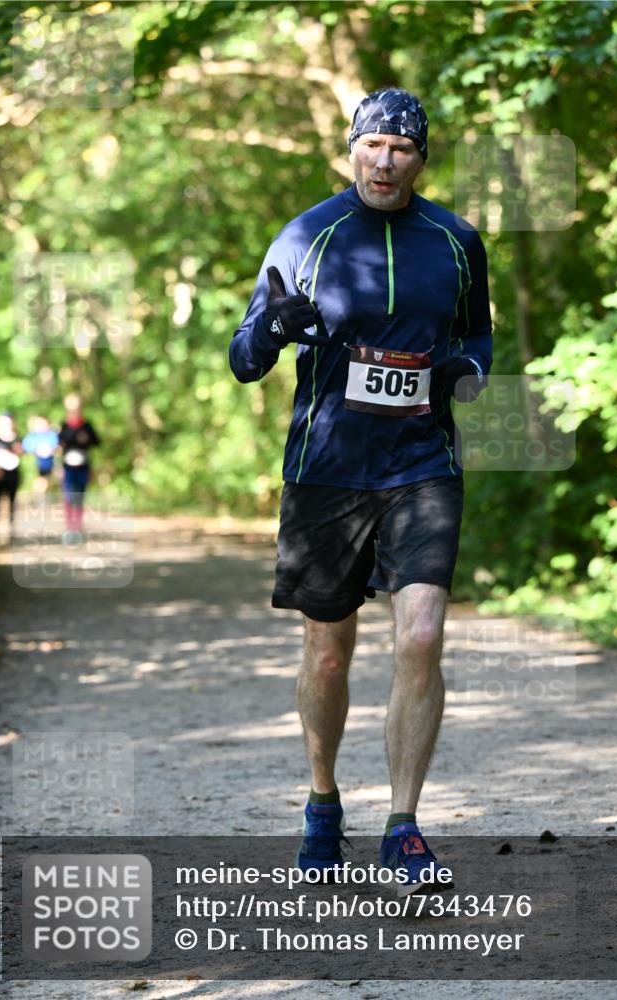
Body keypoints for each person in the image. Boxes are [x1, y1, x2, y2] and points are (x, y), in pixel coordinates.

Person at [229, 89, 493, 895]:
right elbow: (243, 358)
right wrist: (271, 329)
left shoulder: (455, 240)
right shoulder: (307, 235)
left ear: (421, 159)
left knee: (421, 636)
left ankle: (403, 828)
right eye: (372, 145)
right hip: (327, 468)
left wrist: (465, 371)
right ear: (350, 150)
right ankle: (322, 803)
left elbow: (477, 335)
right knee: (327, 653)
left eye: (401, 148)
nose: (384, 160)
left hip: (421, 465)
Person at [58, 394, 100, 543]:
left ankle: (78, 527)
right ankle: (70, 528)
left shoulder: (87, 426)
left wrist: (87, 439)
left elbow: (97, 442)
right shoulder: (64, 426)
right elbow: (58, 446)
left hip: (83, 466)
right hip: (68, 467)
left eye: (76, 408)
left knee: (80, 497)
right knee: (69, 497)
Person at [22, 415, 60, 495]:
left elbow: (57, 447)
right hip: (36, 464)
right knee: (41, 481)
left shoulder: (52, 435)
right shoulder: (31, 436)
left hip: (50, 463)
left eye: (44, 423)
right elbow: (26, 447)